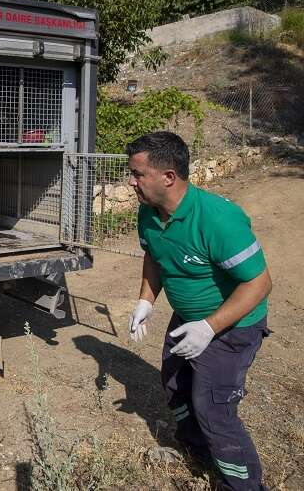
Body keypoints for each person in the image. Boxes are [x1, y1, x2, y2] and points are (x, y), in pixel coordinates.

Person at [126, 131, 272, 491]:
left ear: (168, 177)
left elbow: (259, 284)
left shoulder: (218, 219)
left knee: (214, 409)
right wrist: (146, 300)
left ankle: (243, 484)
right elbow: (155, 256)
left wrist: (208, 327)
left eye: (138, 174)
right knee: (174, 383)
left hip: (231, 326)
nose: (131, 182)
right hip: (188, 319)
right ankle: (199, 451)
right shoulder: (148, 213)